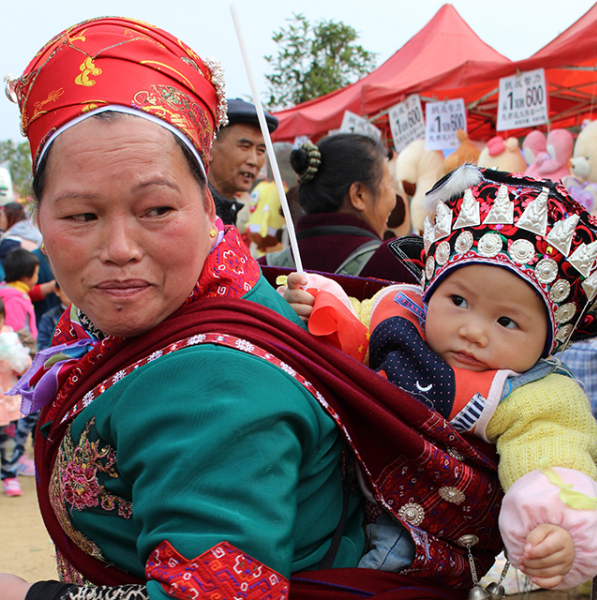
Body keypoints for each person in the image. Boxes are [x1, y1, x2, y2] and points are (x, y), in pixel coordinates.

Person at [1, 17, 515, 600]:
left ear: (207, 207)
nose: (120, 248)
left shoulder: (213, 382)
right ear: (38, 218)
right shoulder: (198, 297)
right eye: (81, 216)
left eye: (156, 209)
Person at [282, 165, 597, 590]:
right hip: (338, 487)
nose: (473, 330)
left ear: (549, 341)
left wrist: (555, 523)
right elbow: (354, 328)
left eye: (506, 321)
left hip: (428, 541)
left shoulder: (535, 393)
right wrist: (318, 305)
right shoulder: (401, 315)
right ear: (430, 289)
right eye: (458, 301)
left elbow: (552, 454)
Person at [260, 136, 416, 281]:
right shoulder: (401, 262)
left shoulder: (262, 270)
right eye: (389, 186)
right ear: (359, 195)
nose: (394, 198)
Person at [208, 97, 278, 226]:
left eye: (261, 150)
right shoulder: (195, 212)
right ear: (209, 148)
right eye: (245, 147)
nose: (254, 161)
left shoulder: (227, 209)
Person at [0, 298, 32, 497]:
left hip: (8, 405)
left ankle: (9, 475)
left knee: (9, 442)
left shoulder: (9, 338)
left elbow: (24, 367)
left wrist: (14, 356)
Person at [0, 248, 39, 340]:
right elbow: (16, 332)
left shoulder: (18, 293)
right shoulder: (14, 300)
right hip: (21, 347)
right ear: (25, 276)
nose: (37, 277)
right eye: (36, 273)